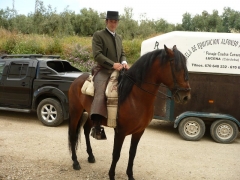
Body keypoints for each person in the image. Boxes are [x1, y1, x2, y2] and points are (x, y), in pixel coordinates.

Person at [90, 11, 129, 140]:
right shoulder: (98, 35)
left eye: (115, 21)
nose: (113, 23)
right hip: (103, 69)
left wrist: (123, 62)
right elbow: (97, 55)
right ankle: (96, 126)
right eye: (111, 21)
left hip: (118, 69)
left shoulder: (119, 37)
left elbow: (122, 52)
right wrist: (113, 64)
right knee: (101, 91)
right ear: (106, 21)